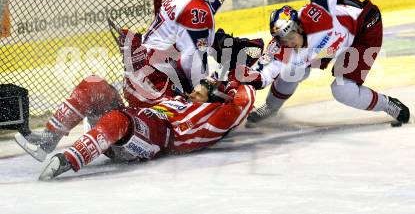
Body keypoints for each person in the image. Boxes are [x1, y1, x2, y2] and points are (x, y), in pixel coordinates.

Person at [231, 0, 410, 127]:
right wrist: (243, 81)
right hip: (329, 47)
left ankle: (387, 104)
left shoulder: (318, 15)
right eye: (282, 39)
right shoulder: (281, 48)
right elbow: (264, 72)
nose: (288, 42)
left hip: (362, 29)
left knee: (343, 90)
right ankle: (271, 108)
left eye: (290, 35)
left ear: (299, 26)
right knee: (291, 71)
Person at [16, 75, 254, 180]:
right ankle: (48, 140)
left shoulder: (211, 120)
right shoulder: (178, 99)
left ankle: (68, 160)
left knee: (119, 120)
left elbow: (245, 99)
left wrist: (233, 84)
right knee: (94, 84)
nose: (193, 92)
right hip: (131, 124)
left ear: (214, 98)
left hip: (159, 136)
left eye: (200, 91)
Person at [121, 0, 230, 108]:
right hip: (156, 81)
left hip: (138, 74)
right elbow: (190, 60)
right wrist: (203, 87)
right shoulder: (199, 11)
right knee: (202, 112)